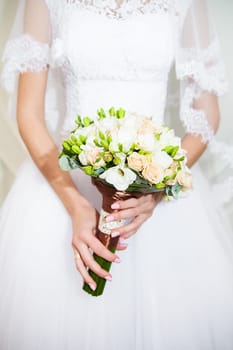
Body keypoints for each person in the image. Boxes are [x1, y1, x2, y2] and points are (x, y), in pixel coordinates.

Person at [0, 0, 233, 349]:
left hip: (154, 186)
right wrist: (77, 206)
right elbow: (29, 115)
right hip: (66, 183)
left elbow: (206, 117)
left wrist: (157, 189)